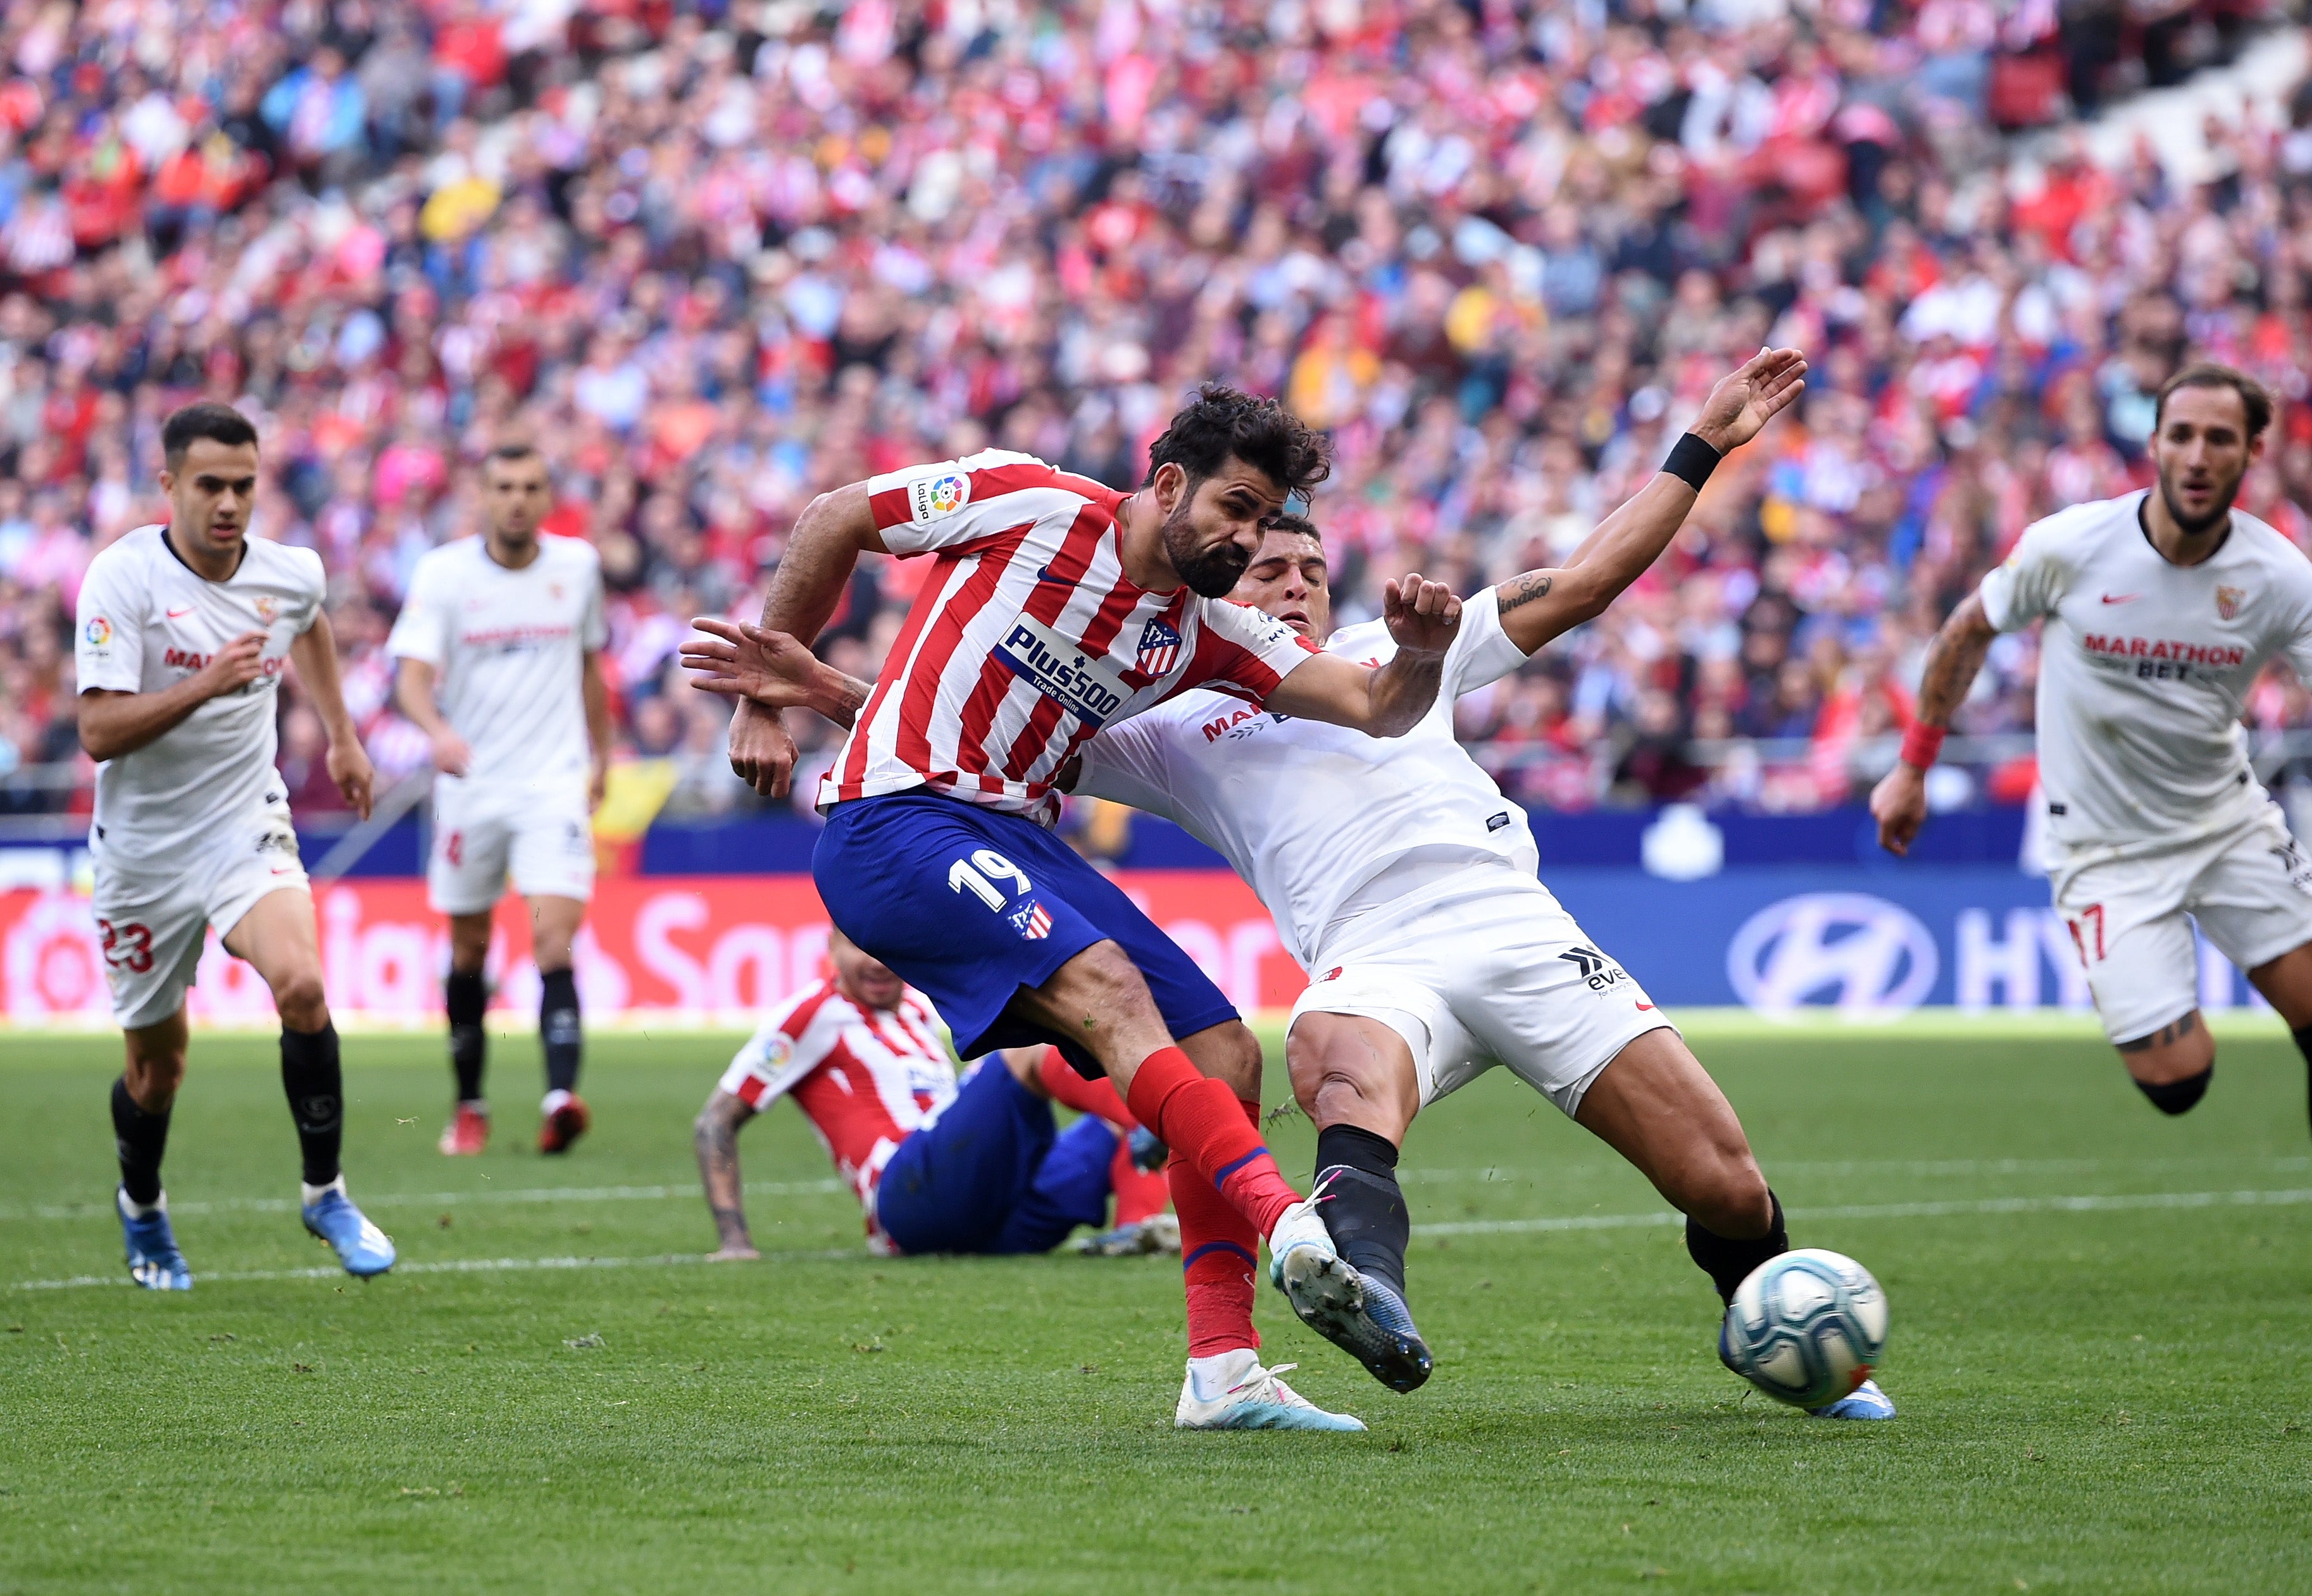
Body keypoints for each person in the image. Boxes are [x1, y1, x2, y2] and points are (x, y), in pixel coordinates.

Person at [689, 352, 1894, 1419]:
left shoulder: (1336, 654)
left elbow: (1547, 603)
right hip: (1364, 958)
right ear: (1179, 497)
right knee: (1313, 1066)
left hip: (1516, 927)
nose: (1277, 568)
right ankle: (1320, 1253)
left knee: (1715, 1177)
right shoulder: (1168, 707)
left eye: (1301, 552)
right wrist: (799, 686)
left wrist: (1697, 447)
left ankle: (1228, 1367)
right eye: (1254, 543)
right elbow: (980, 721)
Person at [696, 383, 1465, 1431]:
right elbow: (836, 515)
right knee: (1103, 986)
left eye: (1263, 518)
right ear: (1167, 484)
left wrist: (1417, 653)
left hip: (1016, 834)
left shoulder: (1204, 634)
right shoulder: (1026, 501)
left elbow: (1376, 707)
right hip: (892, 817)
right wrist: (761, 698)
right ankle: (1290, 1228)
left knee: (1223, 1052)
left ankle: (1224, 1373)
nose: (1245, 539)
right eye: (1235, 510)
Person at [1870, 362, 2312, 1295]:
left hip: (2225, 824)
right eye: (2181, 435)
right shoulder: (2071, 546)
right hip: (2102, 849)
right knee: (2178, 1083)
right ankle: (2161, 964)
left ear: (2253, 451)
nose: (2197, 456)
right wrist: (1912, 765)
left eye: (2219, 439)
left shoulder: (2278, 575)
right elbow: (1967, 629)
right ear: (2155, 443)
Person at [74, 401, 394, 1290]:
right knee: (156, 1069)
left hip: (243, 822)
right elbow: (98, 729)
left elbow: (312, 621)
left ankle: (325, 1190)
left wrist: (341, 734)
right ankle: (142, 1207)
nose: (228, 502)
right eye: (209, 484)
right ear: (169, 484)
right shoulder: (123, 578)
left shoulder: (288, 573)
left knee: (302, 982)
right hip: (140, 849)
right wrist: (209, 682)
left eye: (243, 485)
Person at [693, 929, 1176, 1264]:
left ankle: (1139, 1230)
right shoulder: (812, 1013)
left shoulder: (920, 1013)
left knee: (1115, 1116)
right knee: (1027, 1052)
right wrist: (734, 1240)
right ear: (832, 947)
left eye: (890, 948)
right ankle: (1156, 1121)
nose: (879, 962)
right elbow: (715, 1120)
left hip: (987, 1215)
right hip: (908, 1203)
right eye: (861, 946)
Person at [388, 442, 611, 1157]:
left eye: (531, 486)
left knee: (554, 937)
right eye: (504, 486)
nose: (517, 498)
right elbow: (413, 678)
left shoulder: (577, 568)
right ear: (482, 496)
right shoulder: (444, 574)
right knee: (469, 948)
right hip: (471, 784)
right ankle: (470, 1104)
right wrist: (437, 732)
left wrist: (602, 755)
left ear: (548, 497)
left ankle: (559, 1097)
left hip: (553, 783)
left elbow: (588, 668)